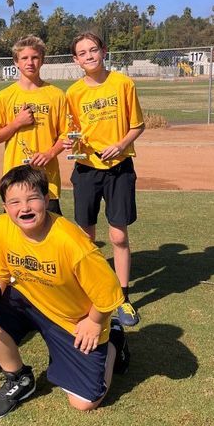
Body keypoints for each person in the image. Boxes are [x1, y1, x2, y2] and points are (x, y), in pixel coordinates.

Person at [0, 165, 129, 420]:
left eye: (32, 198)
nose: (25, 208)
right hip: (29, 299)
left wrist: (95, 321)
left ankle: (113, 341)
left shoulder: (71, 241)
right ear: (5, 207)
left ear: (46, 199)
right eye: (15, 202)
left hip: (73, 319)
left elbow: (108, 289)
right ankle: (19, 378)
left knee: (84, 402)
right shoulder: (0, 227)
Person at [65, 32, 145, 327]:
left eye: (93, 50)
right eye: (82, 53)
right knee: (86, 239)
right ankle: (92, 293)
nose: (89, 56)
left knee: (118, 236)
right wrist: (70, 144)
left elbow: (138, 125)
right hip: (86, 170)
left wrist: (121, 145)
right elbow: (70, 131)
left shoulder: (123, 83)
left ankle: (122, 297)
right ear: (75, 60)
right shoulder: (72, 93)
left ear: (103, 51)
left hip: (119, 169)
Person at [0, 35, 68, 214]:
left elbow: (66, 133)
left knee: (50, 237)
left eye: (35, 57)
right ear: (16, 62)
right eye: (24, 58)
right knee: (15, 236)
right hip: (15, 177)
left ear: (42, 60)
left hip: (47, 178)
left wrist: (50, 153)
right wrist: (17, 123)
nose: (30, 62)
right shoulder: (5, 96)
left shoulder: (56, 95)